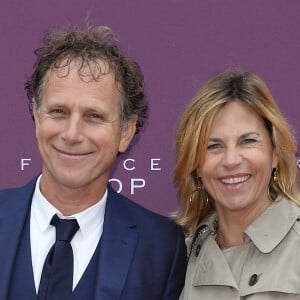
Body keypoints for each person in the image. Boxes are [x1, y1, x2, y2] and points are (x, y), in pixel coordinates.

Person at [0, 26, 187, 299]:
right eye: (58, 112)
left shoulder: (161, 248)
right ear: (37, 117)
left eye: (94, 116)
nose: (72, 134)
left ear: (126, 132)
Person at [174, 70, 300, 299]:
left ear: (275, 154)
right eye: (214, 146)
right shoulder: (178, 259)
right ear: (196, 165)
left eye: (248, 141)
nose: (231, 160)